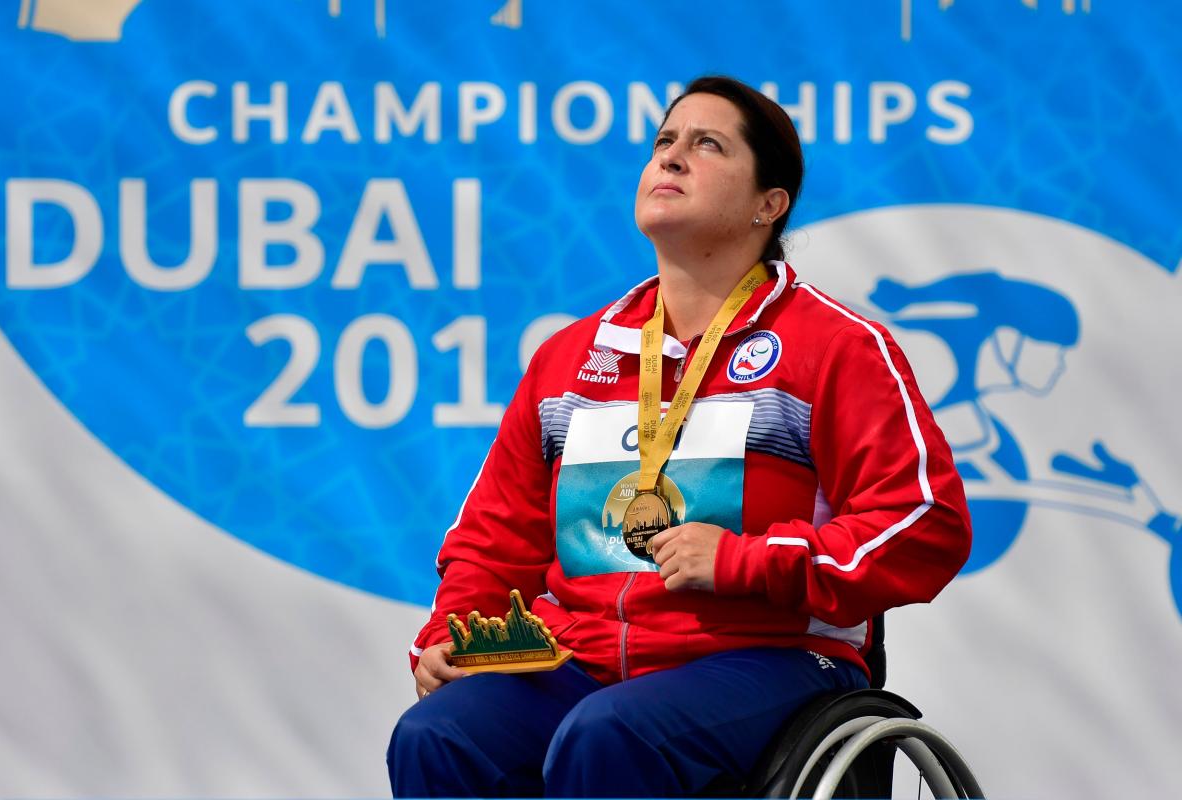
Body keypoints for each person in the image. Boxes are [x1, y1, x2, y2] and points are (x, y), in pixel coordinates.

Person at [387, 75, 971, 797]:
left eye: (707, 145)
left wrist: (746, 560)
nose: (671, 157)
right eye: (665, 141)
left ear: (769, 204)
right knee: (439, 734)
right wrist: (451, 632)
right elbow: (494, 538)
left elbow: (924, 524)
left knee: (610, 733)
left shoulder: (834, 347)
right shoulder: (570, 358)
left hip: (770, 657)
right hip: (584, 662)